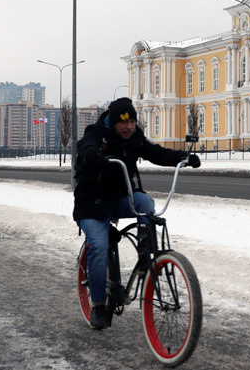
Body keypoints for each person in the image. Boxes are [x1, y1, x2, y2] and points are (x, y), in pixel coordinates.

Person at [73, 97, 200, 329]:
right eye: (124, 122)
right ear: (112, 121)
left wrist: (183, 157)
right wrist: (90, 152)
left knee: (145, 202)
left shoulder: (134, 138)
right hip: (92, 203)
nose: (129, 127)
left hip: (122, 198)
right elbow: (84, 144)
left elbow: (156, 153)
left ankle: (145, 248)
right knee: (99, 248)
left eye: (132, 121)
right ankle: (99, 305)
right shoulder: (96, 132)